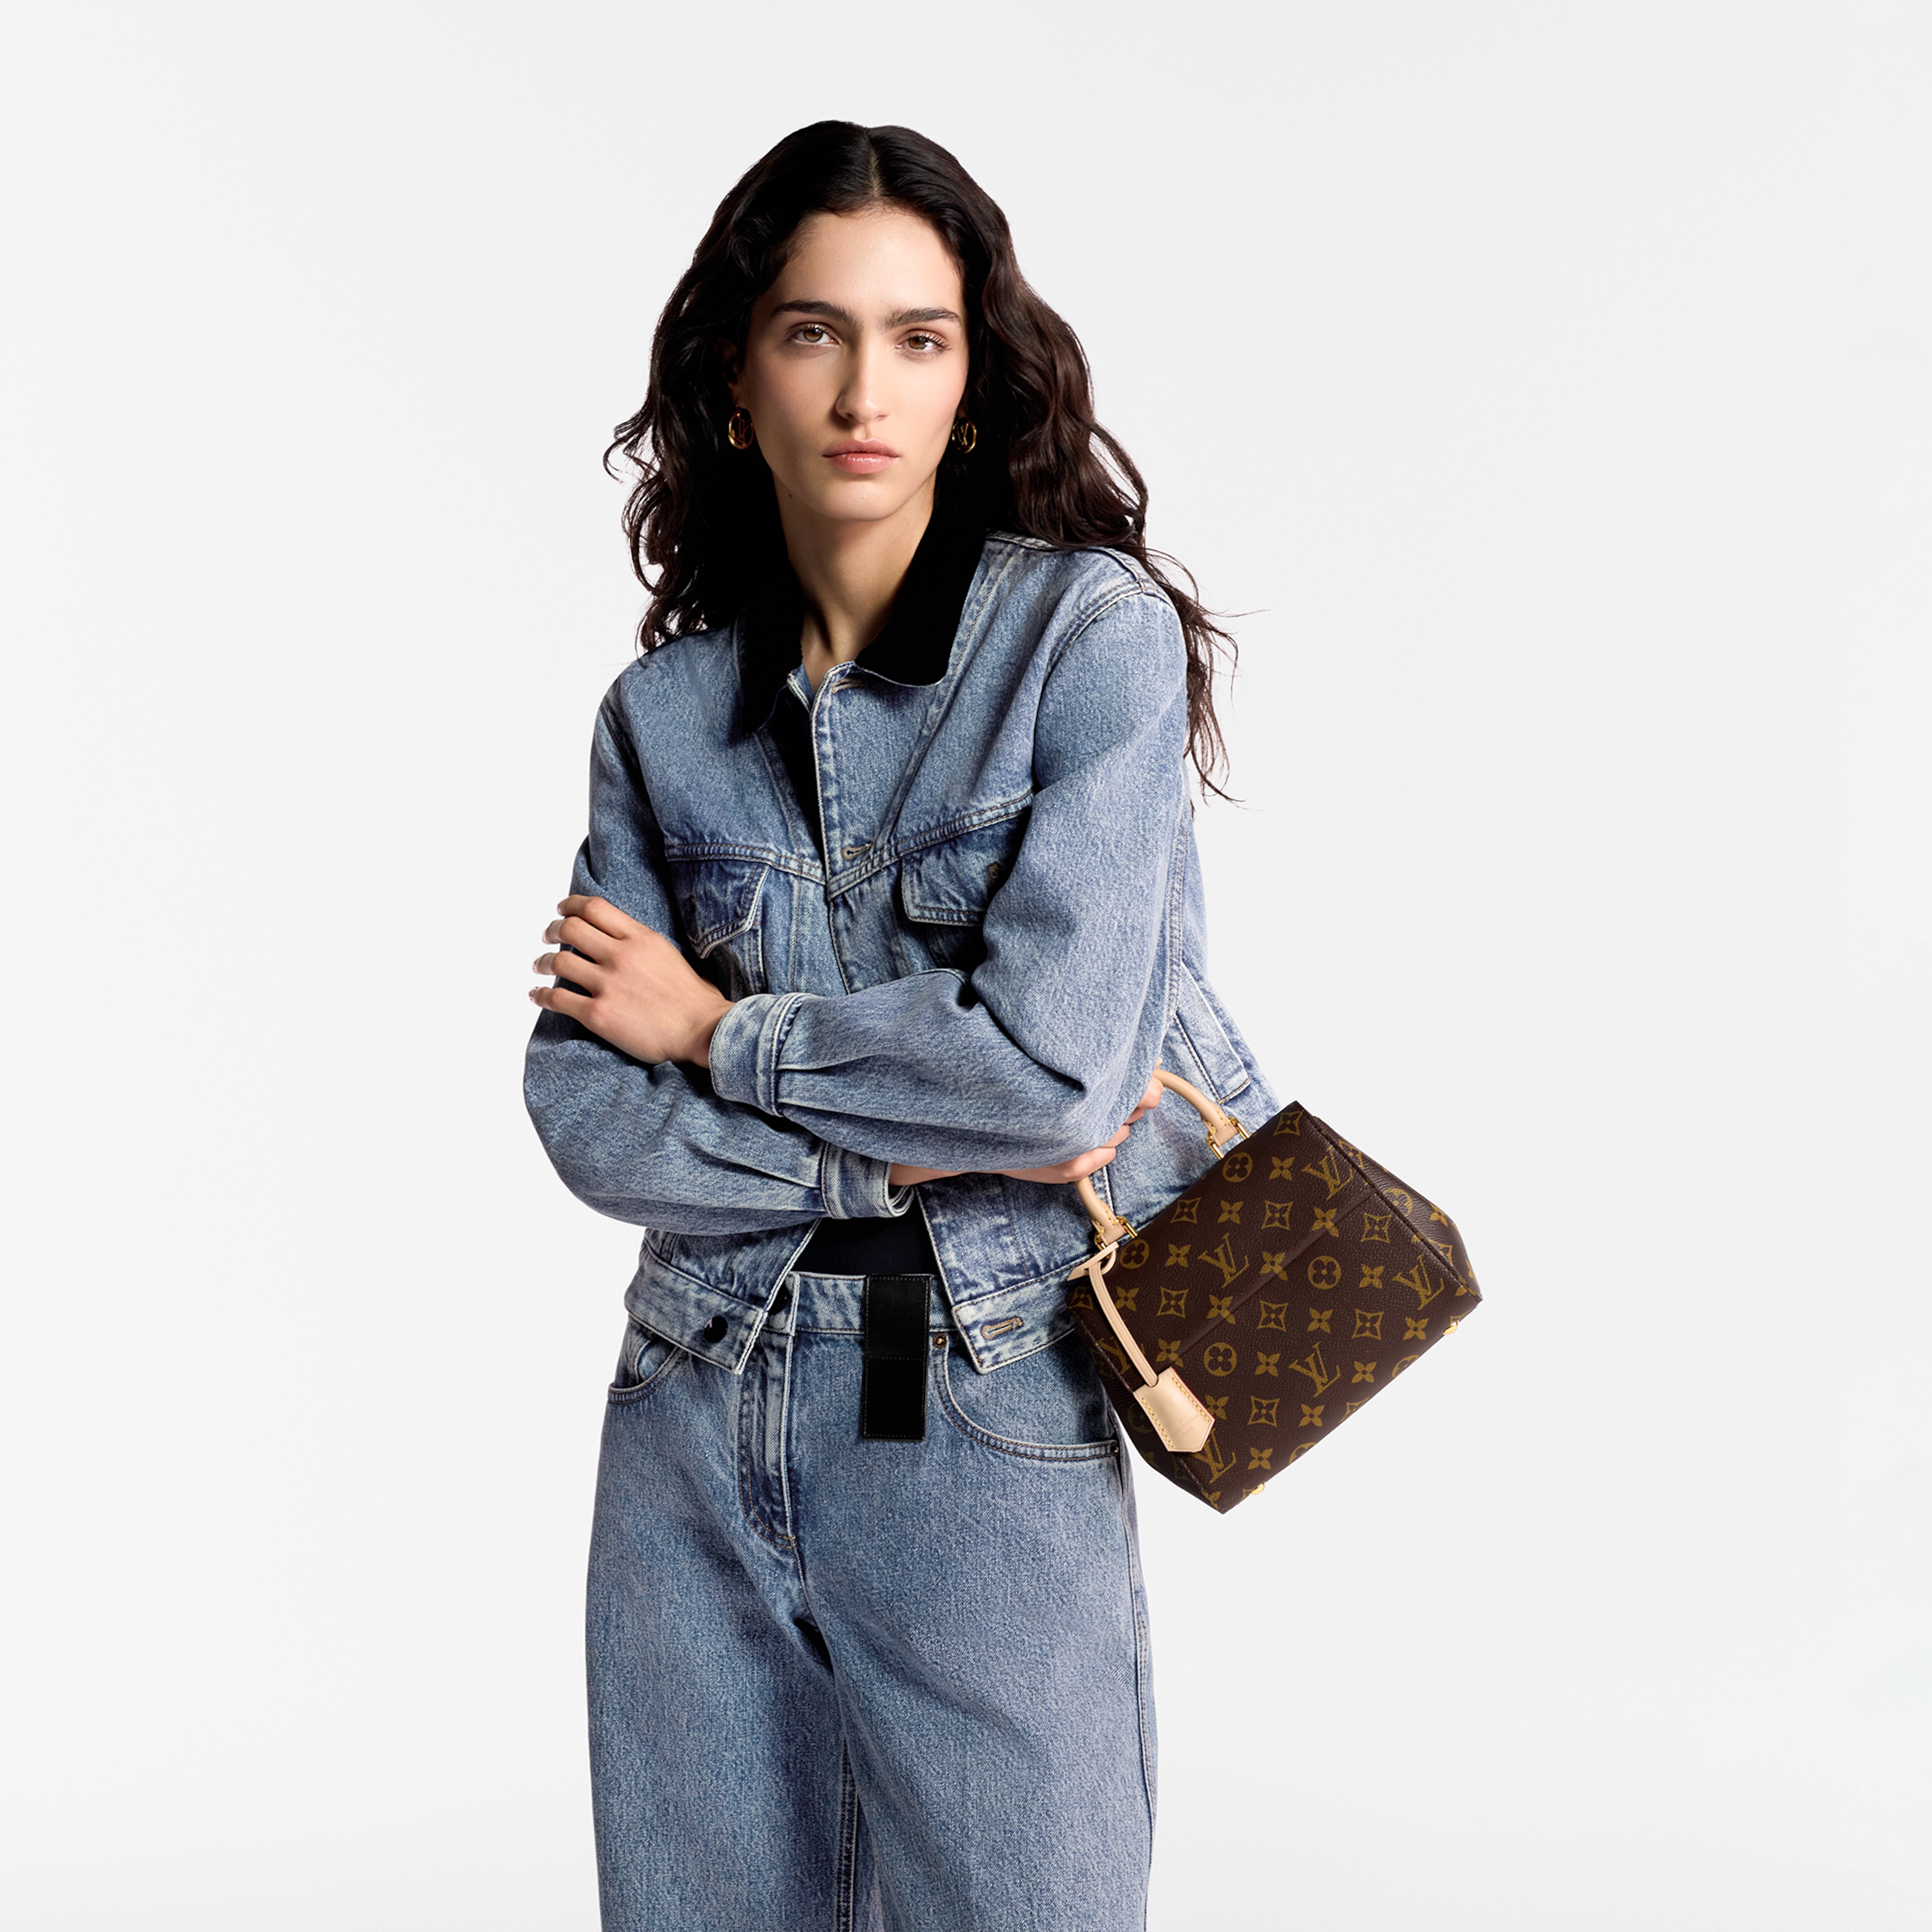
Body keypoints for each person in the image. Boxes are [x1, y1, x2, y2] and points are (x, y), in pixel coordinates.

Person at [525, 120, 1277, 1932]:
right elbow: (581, 1110)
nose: (867, 391)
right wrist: (895, 1145)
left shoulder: (1079, 642)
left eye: (918, 337)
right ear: (735, 380)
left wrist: (719, 1034)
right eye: (815, 333)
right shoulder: (662, 718)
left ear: (970, 376)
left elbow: (1056, 1077)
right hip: (695, 1395)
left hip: (979, 1392)